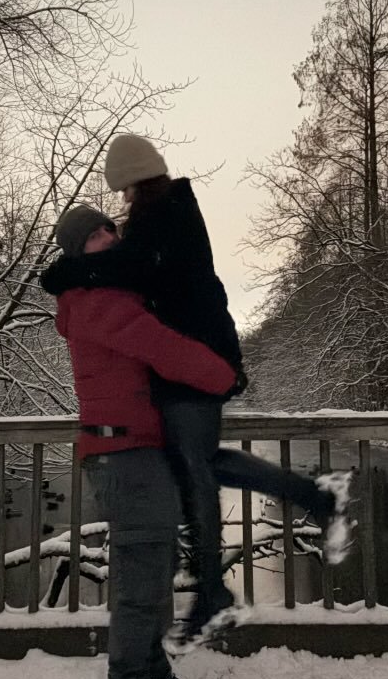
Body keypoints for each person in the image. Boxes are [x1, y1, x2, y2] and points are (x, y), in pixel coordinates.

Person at [42, 136, 353, 650]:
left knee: (197, 469)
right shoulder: (163, 216)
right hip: (191, 366)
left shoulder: (164, 215)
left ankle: (215, 587)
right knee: (198, 465)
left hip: (197, 363)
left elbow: (130, 272)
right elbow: (137, 279)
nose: (117, 216)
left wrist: (63, 272)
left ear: (135, 181)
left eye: (117, 207)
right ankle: (244, 559)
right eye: (98, 231)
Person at [52, 203, 238, 679]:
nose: (108, 236)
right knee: (139, 590)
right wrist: (224, 376)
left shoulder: (114, 291)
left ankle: (154, 677)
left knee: (154, 575)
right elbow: (163, 348)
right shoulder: (95, 298)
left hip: (136, 451)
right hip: (123, 455)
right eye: (94, 234)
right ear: (77, 250)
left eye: (109, 227)